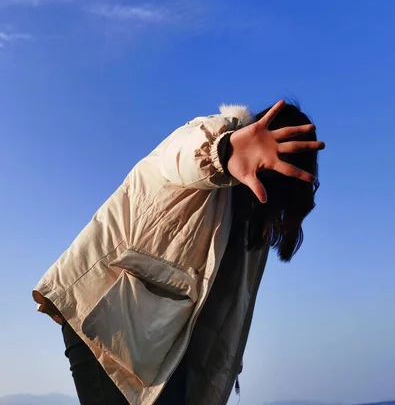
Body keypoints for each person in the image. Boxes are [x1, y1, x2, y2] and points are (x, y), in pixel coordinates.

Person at [33, 99, 325, 405]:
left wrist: (226, 362)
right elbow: (181, 156)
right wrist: (226, 151)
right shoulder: (214, 132)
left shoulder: (253, 218)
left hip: (161, 344)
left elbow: (222, 306)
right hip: (109, 311)